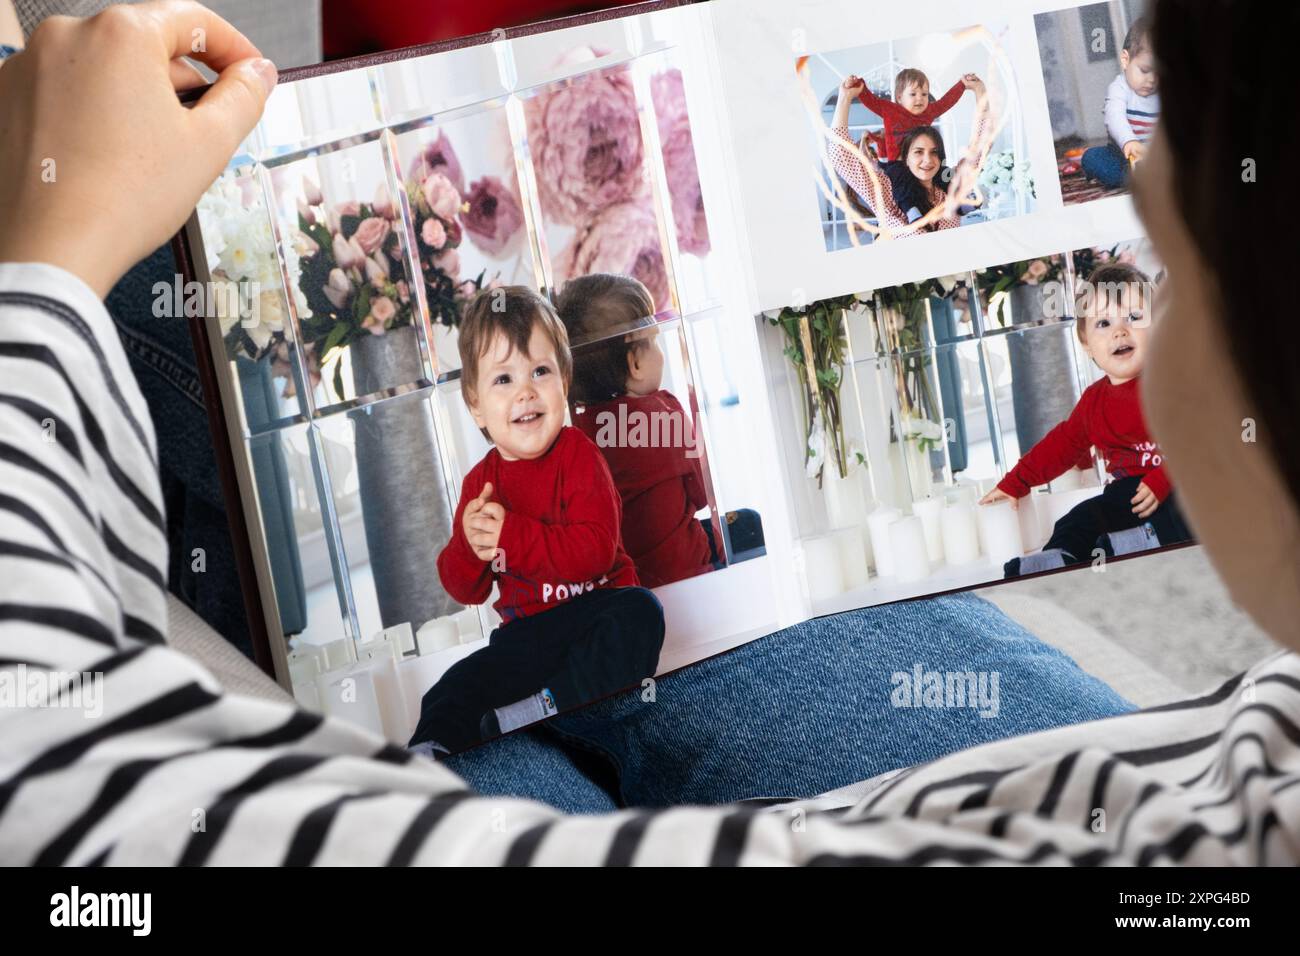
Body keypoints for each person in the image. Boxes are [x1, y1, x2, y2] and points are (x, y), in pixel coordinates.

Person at [1, 0, 1298, 865]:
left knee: (471, 741)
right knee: (504, 718)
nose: (1136, 201)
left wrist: (46, 257)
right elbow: (469, 569)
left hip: (612, 624)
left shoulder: (606, 438)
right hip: (584, 631)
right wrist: (482, 545)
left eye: (1164, 234)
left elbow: (47, 758)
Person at [409, 286, 664, 755]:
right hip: (526, 638)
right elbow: (466, 589)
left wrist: (511, 534)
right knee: (452, 686)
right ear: (475, 404)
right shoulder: (480, 483)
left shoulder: (580, 457)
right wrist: (470, 545)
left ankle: (552, 704)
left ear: (564, 380)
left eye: (540, 371)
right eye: (503, 379)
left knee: (641, 611)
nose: (525, 391)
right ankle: (429, 756)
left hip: (592, 617)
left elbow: (593, 553)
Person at [980, 263, 1193, 576]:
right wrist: (1016, 483)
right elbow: (1061, 446)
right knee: (1081, 517)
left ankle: (1142, 543)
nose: (1120, 331)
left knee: (1188, 510)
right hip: (1129, 496)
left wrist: (1163, 478)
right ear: (1085, 343)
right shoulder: (1094, 402)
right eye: (1104, 323)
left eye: (1134, 318)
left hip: (1179, 484)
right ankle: (1059, 556)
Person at [556, 273, 716, 587]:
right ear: (635, 364)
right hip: (691, 579)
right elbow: (701, 495)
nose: (660, 351)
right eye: (654, 340)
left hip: (626, 595)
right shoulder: (664, 412)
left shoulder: (574, 437)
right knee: (750, 526)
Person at [829, 73, 990, 238]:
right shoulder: (885, 189)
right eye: (918, 152)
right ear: (906, 156)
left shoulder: (945, 186)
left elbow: (981, 143)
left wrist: (978, 91)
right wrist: (846, 97)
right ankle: (912, 210)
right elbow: (839, 154)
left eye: (934, 152)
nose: (928, 160)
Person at [1080, 18, 1158, 191]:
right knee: (1104, 166)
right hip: (1122, 154)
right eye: (1145, 70)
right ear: (1125, 60)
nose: (1152, 79)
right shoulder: (1119, 87)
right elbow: (1114, 116)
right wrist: (1129, 141)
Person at [852, 67, 980, 164]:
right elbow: (871, 101)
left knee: (941, 170)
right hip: (898, 165)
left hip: (924, 163)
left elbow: (946, 101)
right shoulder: (889, 110)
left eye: (924, 94)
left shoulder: (928, 111)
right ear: (899, 97)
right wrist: (859, 85)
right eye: (913, 94)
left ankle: (948, 180)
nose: (920, 99)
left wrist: (962, 84)